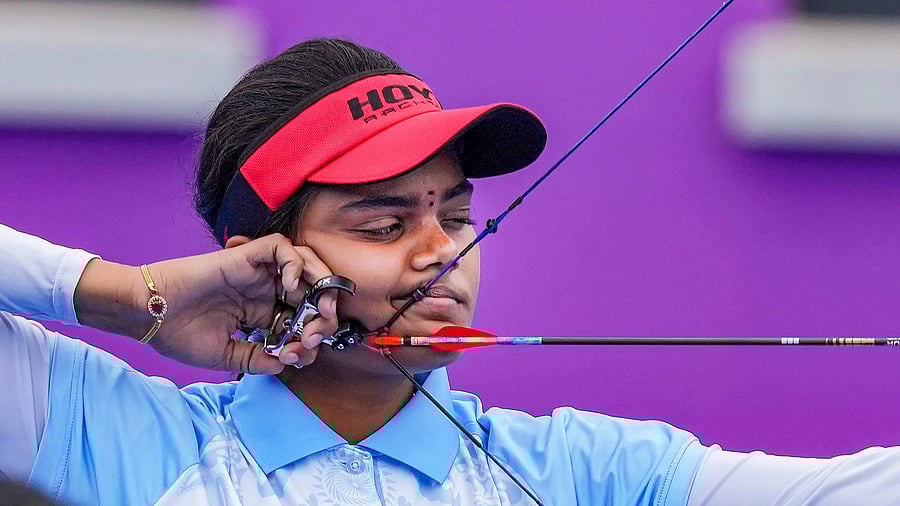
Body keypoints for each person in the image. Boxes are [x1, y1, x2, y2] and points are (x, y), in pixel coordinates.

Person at [2, 38, 898, 506]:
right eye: (387, 221)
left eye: (457, 214)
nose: (445, 252)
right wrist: (128, 297)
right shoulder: (103, 433)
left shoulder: (584, 471)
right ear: (263, 259)